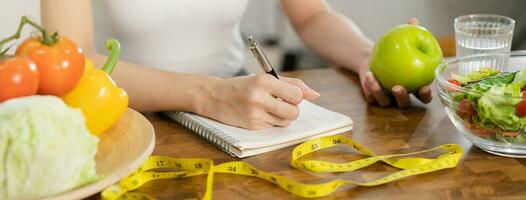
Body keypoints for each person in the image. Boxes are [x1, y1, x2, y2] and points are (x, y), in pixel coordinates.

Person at [40, 0, 432, 130]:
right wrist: (207, 94)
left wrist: (368, 55)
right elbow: (73, 63)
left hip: (236, 111)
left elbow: (311, 14)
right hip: (125, 121)